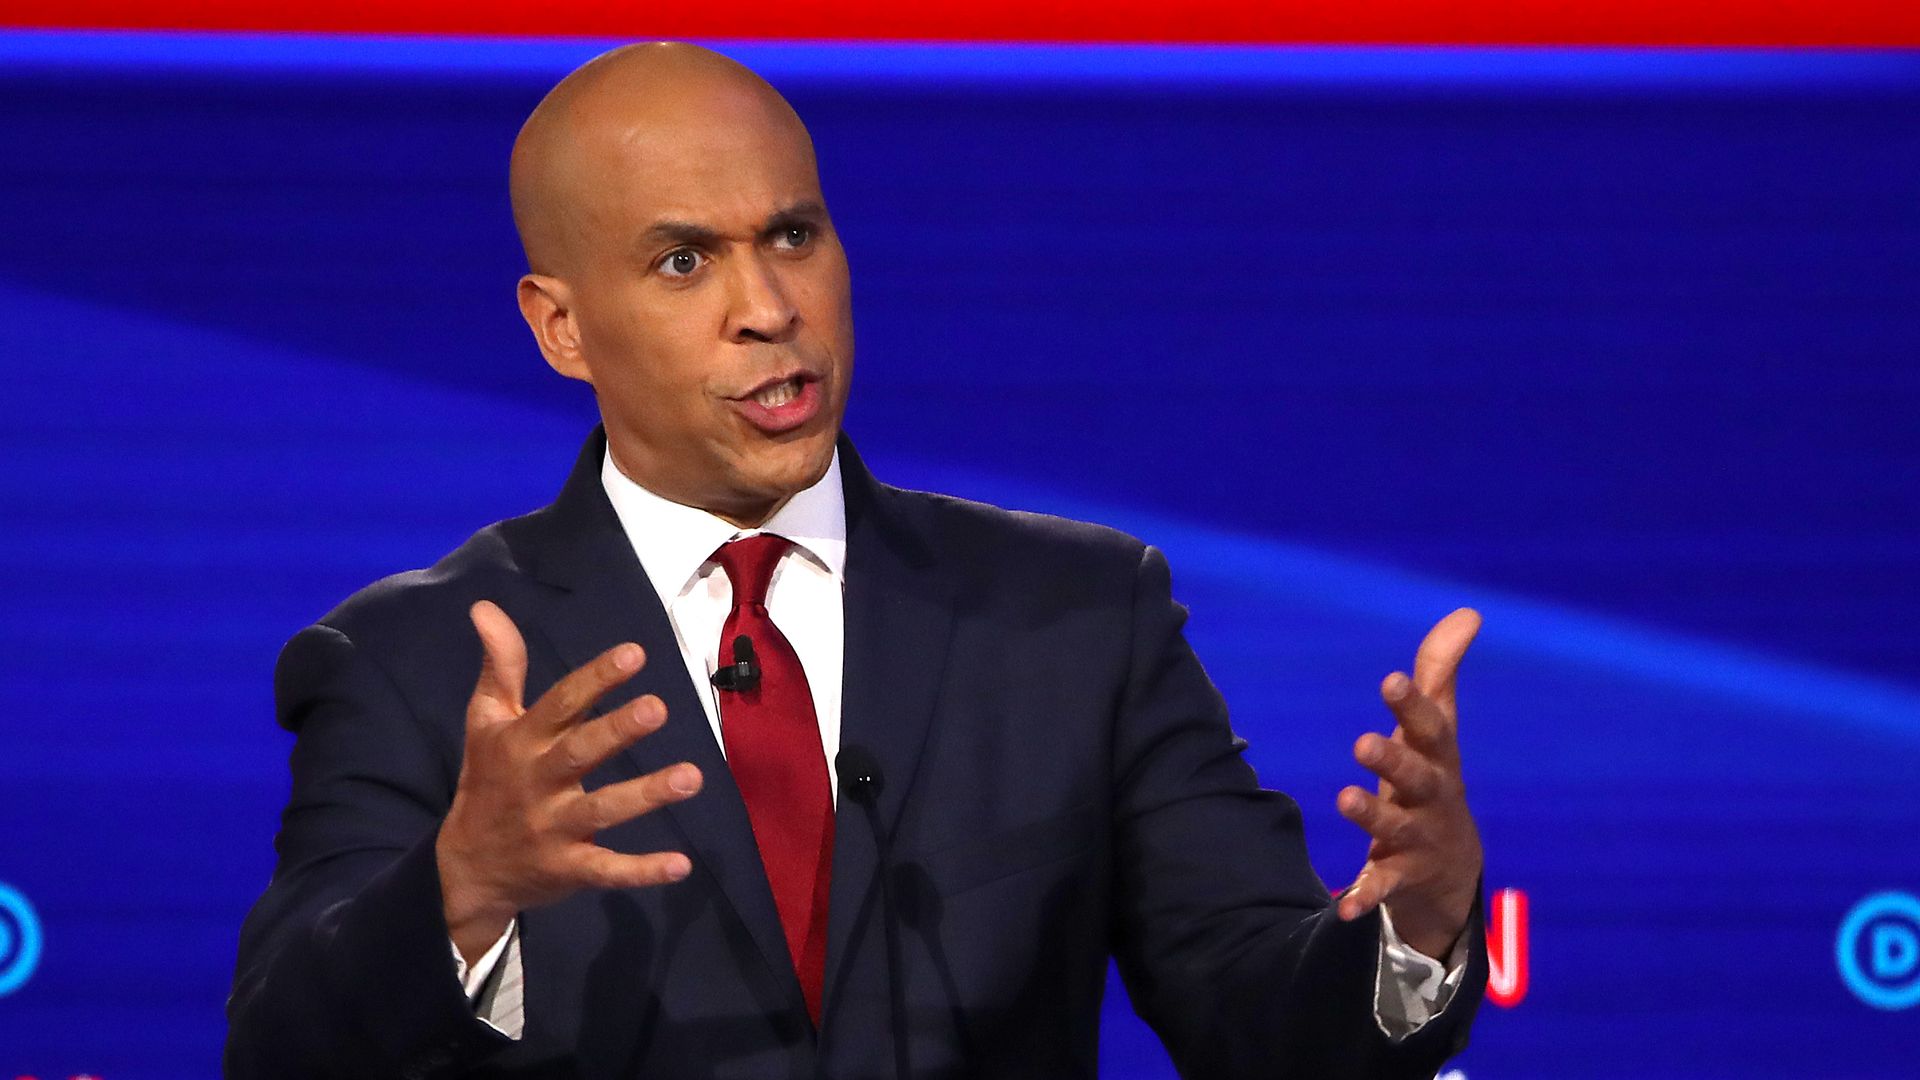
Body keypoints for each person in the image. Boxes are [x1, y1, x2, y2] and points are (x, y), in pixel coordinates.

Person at [225, 42, 1489, 1079]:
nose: (769, 306)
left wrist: (1410, 932)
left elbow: (1262, 1019)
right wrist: (457, 892)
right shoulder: (415, 663)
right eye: (684, 261)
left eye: (792, 234)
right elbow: (283, 1048)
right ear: (561, 326)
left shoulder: (1079, 619)